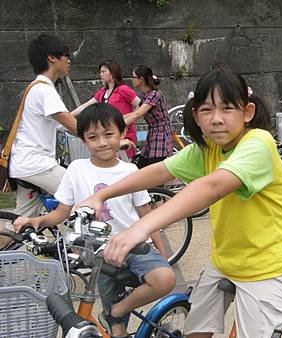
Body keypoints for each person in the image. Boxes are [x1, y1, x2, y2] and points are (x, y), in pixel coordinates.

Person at [79, 66, 282, 337]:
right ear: (196, 116)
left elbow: (212, 186)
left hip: (268, 268)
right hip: (225, 262)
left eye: (227, 109)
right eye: (207, 110)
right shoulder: (208, 148)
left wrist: (140, 227)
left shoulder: (258, 143)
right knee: (195, 331)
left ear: (248, 113)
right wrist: (102, 195)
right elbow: (161, 170)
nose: (217, 119)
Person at [14, 103, 175, 338]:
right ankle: (116, 319)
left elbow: (146, 214)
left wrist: (161, 250)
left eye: (109, 134)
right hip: (98, 252)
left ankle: (115, 311)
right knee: (117, 331)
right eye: (93, 136)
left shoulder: (131, 171)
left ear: (121, 133)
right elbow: (61, 213)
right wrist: (37, 221)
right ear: (83, 140)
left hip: (133, 246)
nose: (102, 142)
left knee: (164, 279)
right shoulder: (76, 169)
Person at [9, 34, 78, 217]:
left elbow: (60, 124)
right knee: (85, 196)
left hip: (24, 165)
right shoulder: (44, 89)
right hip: (37, 165)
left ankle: (9, 246)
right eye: (66, 55)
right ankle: (80, 245)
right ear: (52, 57)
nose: (69, 60)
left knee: (21, 225)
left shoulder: (36, 87)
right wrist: (109, 141)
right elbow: (74, 127)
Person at [71, 60, 141, 158]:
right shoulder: (102, 92)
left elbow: (141, 105)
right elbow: (84, 106)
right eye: (100, 72)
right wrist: (68, 116)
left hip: (124, 134)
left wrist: (126, 118)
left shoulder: (123, 89)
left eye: (103, 72)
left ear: (112, 73)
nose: (101, 74)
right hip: (107, 133)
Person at [124, 65, 173, 169]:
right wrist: (116, 119)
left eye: (133, 77)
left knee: (154, 170)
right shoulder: (147, 95)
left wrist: (120, 125)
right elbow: (134, 113)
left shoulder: (155, 94)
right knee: (141, 167)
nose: (131, 79)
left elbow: (138, 114)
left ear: (141, 79)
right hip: (153, 134)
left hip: (161, 135)